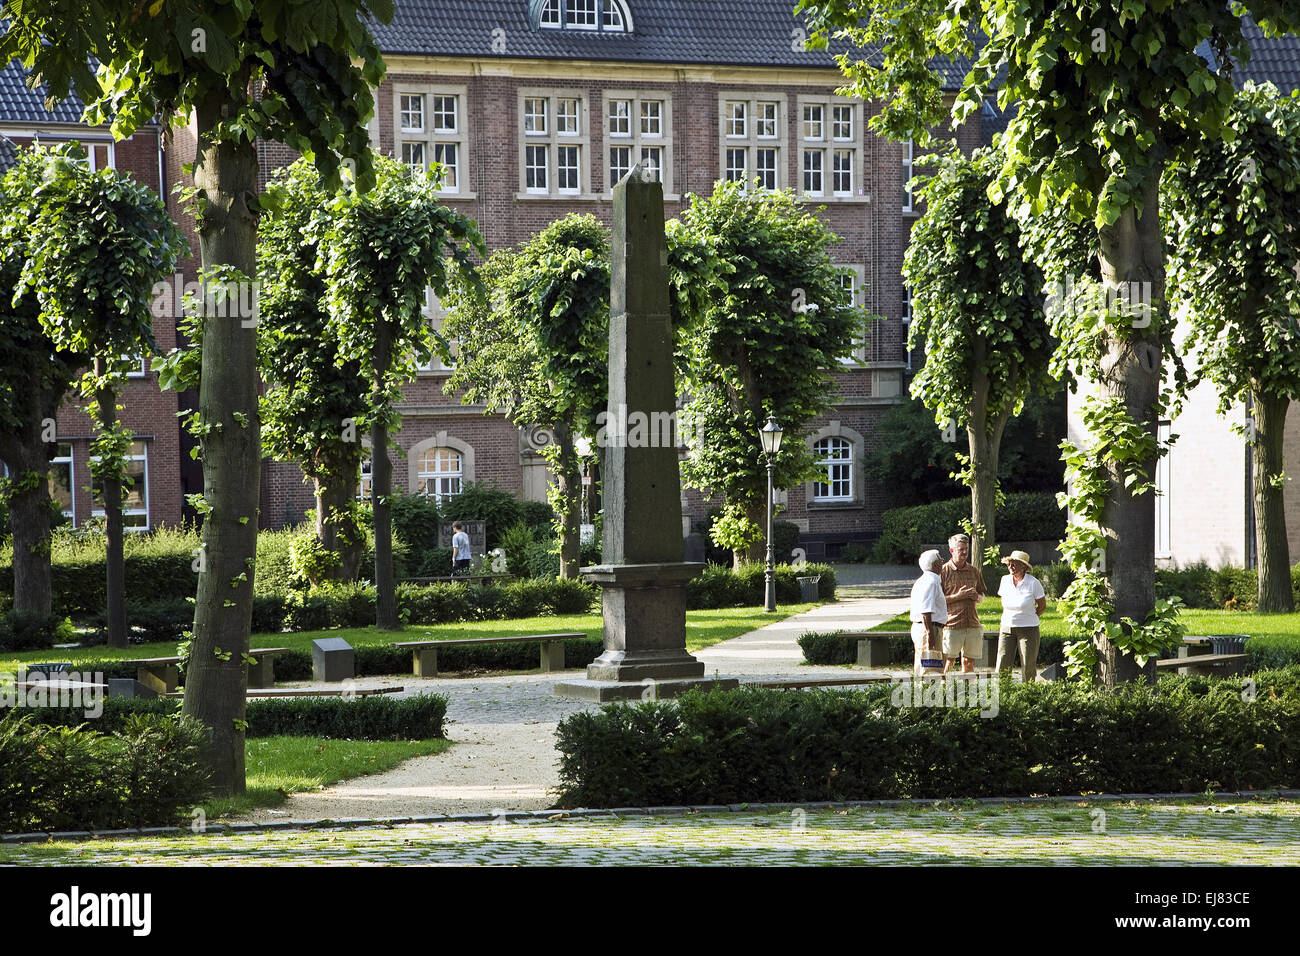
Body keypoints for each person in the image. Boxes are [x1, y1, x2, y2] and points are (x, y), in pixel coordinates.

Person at [995, 550, 1047, 683]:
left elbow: (1042, 606)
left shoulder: (1033, 583)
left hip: (1028, 629)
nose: (1010, 567)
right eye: (1009, 564)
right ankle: (1002, 692)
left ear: (1023, 566)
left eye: (1014, 564)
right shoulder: (1004, 580)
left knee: (1028, 664)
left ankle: (1027, 694)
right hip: (1007, 627)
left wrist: (1030, 616)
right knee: (1002, 662)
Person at [939, 533, 986, 673]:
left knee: (969, 662)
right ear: (952, 550)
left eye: (966, 549)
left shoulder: (974, 571)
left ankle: (969, 692)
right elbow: (938, 601)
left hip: (972, 624)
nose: (965, 552)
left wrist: (976, 596)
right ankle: (944, 689)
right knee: (948, 661)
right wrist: (959, 596)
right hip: (951, 624)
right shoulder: (943, 572)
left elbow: (982, 596)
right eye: (961, 549)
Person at [909, 549, 947, 675]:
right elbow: (926, 610)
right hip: (929, 628)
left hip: (926, 627)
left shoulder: (926, 580)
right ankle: (927, 692)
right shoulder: (931, 582)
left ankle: (924, 691)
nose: (943, 562)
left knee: (925, 665)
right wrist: (930, 633)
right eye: (940, 560)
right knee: (930, 668)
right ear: (935, 564)